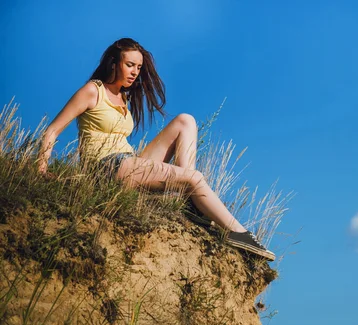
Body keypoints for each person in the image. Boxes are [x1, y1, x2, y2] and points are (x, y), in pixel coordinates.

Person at [36, 38, 275, 261]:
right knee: (194, 178)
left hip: (128, 163)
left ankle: (188, 200)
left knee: (185, 120)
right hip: (105, 168)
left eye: (138, 67)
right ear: (114, 63)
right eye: (130, 65)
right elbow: (52, 131)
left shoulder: (124, 98)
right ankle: (239, 234)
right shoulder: (92, 91)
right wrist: (42, 169)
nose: (135, 72)